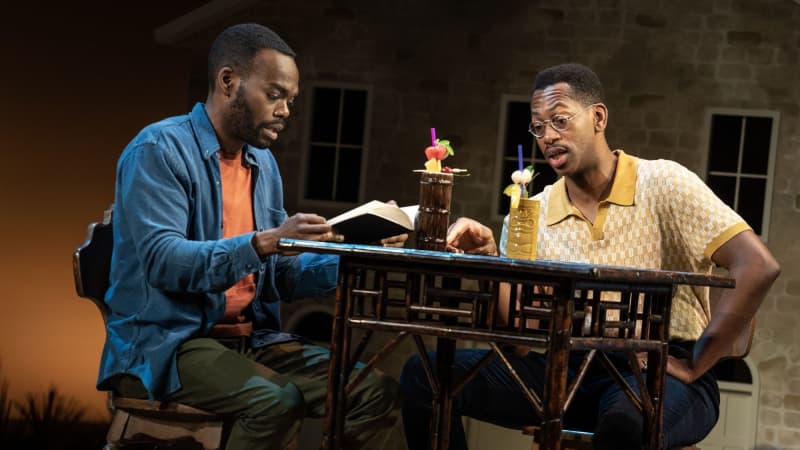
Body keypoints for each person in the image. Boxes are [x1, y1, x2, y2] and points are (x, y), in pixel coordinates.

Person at [400, 63, 780, 449]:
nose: (548, 136)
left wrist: (696, 363)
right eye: (538, 126)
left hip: (655, 372)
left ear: (598, 117)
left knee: (622, 424)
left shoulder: (664, 183)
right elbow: (517, 340)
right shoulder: (534, 211)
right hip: (567, 374)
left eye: (560, 120)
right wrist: (489, 258)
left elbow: (758, 265)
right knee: (424, 375)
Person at [98, 23, 403, 450]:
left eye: (290, 101)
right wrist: (263, 242)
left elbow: (283, 277)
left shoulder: (262, 165)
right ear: (228, 81)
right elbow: (162, 261)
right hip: (168, 343)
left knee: (375, 391)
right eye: (274, 95)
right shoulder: (159, 150)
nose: (285, 111)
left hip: (250, 340)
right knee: (275, 402)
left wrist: (357, 252)